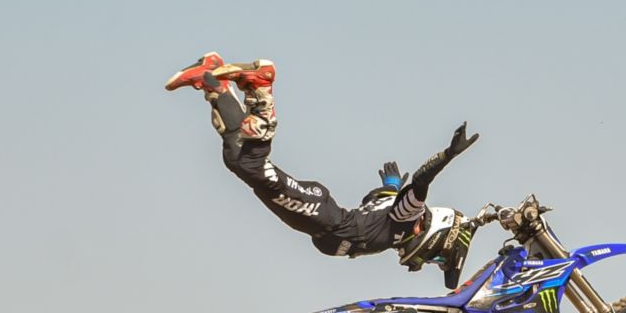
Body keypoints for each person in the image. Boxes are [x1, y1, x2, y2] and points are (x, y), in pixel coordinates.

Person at [163, 53, 478, 279]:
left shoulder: (393, 215)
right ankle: (261, 92)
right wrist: (447, 155)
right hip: (324, 217)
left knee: (237, 159)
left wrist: (392, 185)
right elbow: (420, 183)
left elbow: (385, 199)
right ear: (440, 231)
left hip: (318, 219)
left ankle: (213, 80)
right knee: (250, 163)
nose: (425, 260)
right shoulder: (407, 220)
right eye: (437, 255)